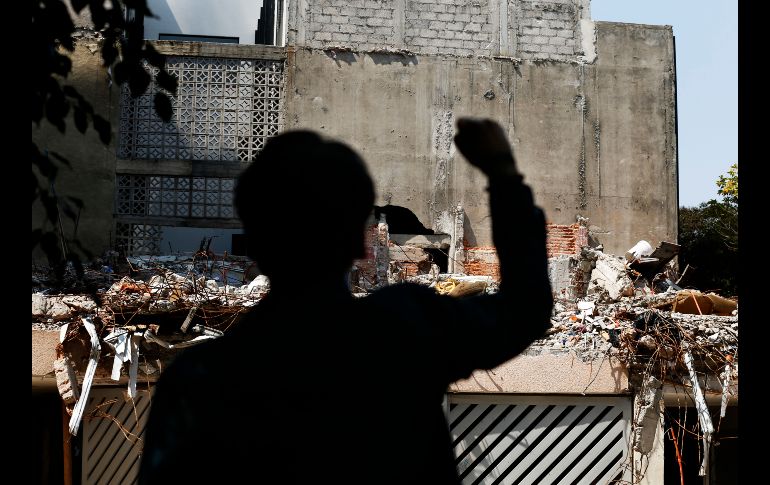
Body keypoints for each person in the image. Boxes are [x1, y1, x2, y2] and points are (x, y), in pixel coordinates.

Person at [138, 118, 553, 484]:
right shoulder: (403, 330)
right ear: (360, 242)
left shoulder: (200, 382)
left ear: (256, 241)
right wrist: (503, 175)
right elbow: (524, 311)